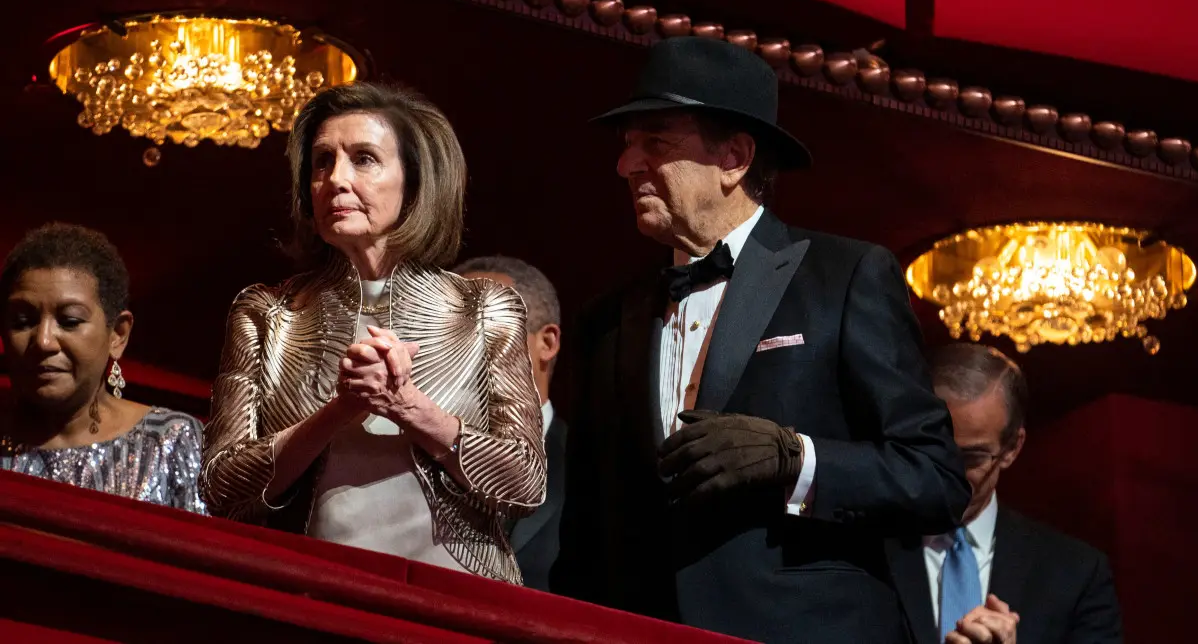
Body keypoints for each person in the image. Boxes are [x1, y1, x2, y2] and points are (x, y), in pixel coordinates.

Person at [552, 37, 970, 643]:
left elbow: (936, 480)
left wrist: (796, 459)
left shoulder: (846, 277)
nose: (627, 165)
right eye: (626, 146)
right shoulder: (607, 321)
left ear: (735, 158)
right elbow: (585, 532)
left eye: (656, 142)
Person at [201, 82, 546, 585]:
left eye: (363, 159)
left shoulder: (484, 310)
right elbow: (220, 487)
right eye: (321, 162)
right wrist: (340, 410)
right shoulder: (267, 314)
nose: (334, 179)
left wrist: (408, 406)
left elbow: (526, 484)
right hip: (306, 591)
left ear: (416, 182)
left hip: (455, 599)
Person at [888, 343, 1123, 644]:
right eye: (934, 451)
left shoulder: (1077, 574)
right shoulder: (863, 551)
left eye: (971, 458)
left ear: (1013, 448)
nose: (946, 475)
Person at [0, 223, 206, 514]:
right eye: (22, 321)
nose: (43, 341)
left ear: (118, 334)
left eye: (69, 321)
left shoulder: (170, 442)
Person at [455, 255, 563, 592]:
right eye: (449, 332)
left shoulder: (596, 465)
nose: (459, 350)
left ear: (546, 343)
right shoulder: (411, 459)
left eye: (485, 327)